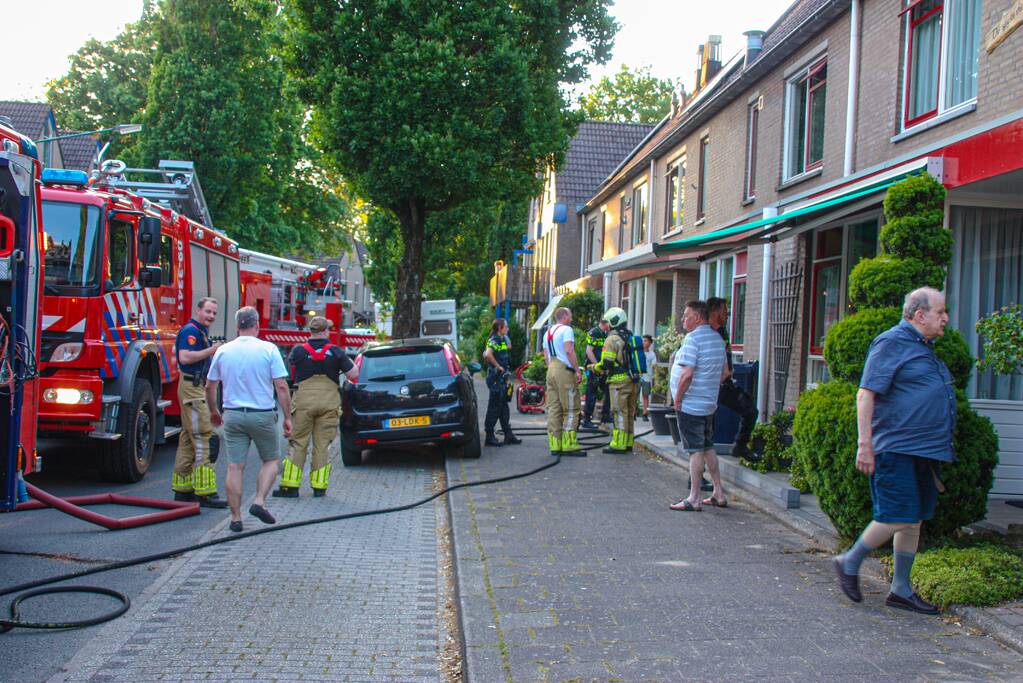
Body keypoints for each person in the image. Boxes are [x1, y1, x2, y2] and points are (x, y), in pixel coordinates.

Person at [833, 287, 955, 615]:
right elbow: (865, 394)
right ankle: (850, 561)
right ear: (919, 315)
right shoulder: (891, 342)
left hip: (922, 451)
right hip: (895, 448)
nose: (946, 318)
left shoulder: (923, 346)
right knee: (897, 515)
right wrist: (865, 444)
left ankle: (900, 589)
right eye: (940, 311)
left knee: (912, 520)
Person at [206, 306, 293, 533]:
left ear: (237, 326)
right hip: (262, 415)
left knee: (234, 467)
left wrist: (214, 411)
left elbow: (210, 385)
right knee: (271, 461)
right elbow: (281, 386)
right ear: (257, 325)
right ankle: (258, 502)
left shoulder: (223, 351)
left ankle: (235, 519)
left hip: (232, 414)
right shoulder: (268, 349)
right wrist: (287, 417)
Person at [274, 317, 358, 499]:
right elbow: (354, 373)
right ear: (326, 331)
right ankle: (319, 489)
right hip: (328, 403)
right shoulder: (336, 352)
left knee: (298, 443)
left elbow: (288, 375)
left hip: (303, 403)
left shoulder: (298, 351)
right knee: (322, 446)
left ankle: (290, 487)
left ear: (310, 332)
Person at [669, 300, 728, 511]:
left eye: (686, 315)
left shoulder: (693, 340)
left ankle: (694, 498)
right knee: (707, 447)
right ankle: (718, 492)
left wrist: (677, 399)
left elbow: (687, 374)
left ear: (698, 318)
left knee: (695, 451)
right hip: (708, 404)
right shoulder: (718, 340)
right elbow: (725, 373)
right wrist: (708, 388)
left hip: (691, 406)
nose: (683, 319)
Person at [171, 297, 227, 508]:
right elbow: (185, 358)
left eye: (214, 313)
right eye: (208, 312)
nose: (211, 316)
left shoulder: (198, 331)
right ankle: (205, 492)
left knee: (188, 438)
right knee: (206, 436)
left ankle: (183, 490)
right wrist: (212, 350)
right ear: (198, 310)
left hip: (194, 387)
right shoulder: (190, 332)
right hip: (192, 388)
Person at [707, 297, 759, 458]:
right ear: (715, 312)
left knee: (749, 409)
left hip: (726, 384)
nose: (727, 314)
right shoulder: (706, 332)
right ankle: (696, 476)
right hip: (710, 387)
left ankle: (740, 446)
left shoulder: (722, 331)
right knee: (707, 431)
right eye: (724, 311)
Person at [596, 307, 639, 454]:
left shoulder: (612, 339)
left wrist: (594, 367)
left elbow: (606, 363)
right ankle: (627, 442)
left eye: (607, 322)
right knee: (629, 412)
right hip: (632, 381)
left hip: (618, 383)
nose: (606, 326)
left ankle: (618, 444)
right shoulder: (629, 336)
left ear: (614, 322)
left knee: (619, 412)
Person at [544, 307, 585, 456]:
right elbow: (569, 351)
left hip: (551, 370)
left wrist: (552, 370)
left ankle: (555, 445)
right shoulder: (567, 330)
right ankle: (569, 444)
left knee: (554, 408)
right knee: (571, 408)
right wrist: (577, 370)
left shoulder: (547, 332)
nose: (572, 319)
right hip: (564, 371)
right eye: (571, 316)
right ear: (565, 317)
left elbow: (546, 356)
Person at [482, 318, 522, 447]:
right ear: (500, 328)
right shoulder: (494, 340)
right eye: (506, 326)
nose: (508, 328)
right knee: (494, 407)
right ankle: (489, 436)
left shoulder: (501, 339)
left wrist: (505, 337)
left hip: (501, 379)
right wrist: (498, 366)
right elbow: (488, 354)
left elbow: (508, 347)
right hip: (495, 379)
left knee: (503, 407)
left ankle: (508, 434)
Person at [580, 317, 612, 429]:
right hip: (593, 368)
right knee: (591, 392)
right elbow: (589, 351)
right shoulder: (594, 333)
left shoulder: (605, 333)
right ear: (605, 324)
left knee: (608, 390)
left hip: (602, 368)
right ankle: (586, 419)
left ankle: (605, 415)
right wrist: (597, 366)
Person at [640, 335, 656, 421]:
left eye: (645, 341)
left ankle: (645, 413)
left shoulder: (652, 354)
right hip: (637, 377)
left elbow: (654, 364)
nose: (643, 342)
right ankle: (633, 413)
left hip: (647, 377)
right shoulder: (638, 353)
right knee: (634, 395)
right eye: (642, 341)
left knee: (645, 396)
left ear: (650, 343)